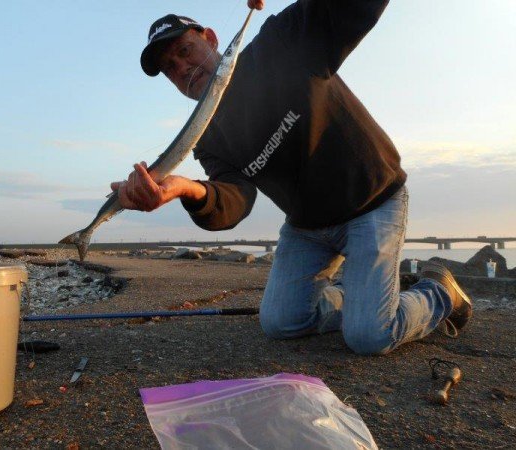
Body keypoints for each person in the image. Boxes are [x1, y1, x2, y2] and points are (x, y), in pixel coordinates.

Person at [110, 0, 472, 355]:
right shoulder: (207, 135)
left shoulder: (281, 41)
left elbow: (351, 9)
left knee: (368, 336)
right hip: (307, 227)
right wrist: (186, 189)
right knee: (281, 323)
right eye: (171, 68)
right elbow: (235, 201)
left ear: (211, 38)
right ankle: (359, 292)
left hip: (371, 201)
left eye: (185, 50)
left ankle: (439, 291)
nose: (183, 68)